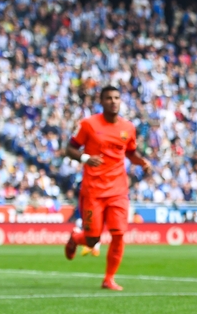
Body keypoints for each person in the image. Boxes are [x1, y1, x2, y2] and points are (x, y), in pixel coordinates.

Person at [63, 85, 152, 291]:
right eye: (108, 98)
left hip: (118, 190)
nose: (113, 101)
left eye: (116, 97)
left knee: (119, 234)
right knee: (93, 238)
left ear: (121, 101)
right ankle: (76, 238)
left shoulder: (128, 127)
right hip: (93, 190)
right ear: (101, 102)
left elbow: (130, 152)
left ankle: (109, 279)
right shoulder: (88, 124)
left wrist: (142, 162)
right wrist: (85, 157)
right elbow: (70, 148)